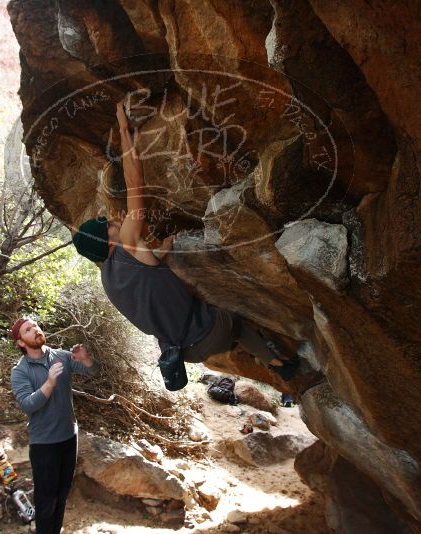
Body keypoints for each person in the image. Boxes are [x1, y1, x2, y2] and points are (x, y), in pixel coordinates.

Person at [72, 102, 313, 382]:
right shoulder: (128, 243)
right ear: (107, 240)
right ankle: (278, 361)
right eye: (109, 225)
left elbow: (146, 281)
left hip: (186, 353)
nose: (114, 221)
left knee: (230, 328)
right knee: (237, 320)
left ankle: (276, 366)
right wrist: (125, 130)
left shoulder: (110, 280)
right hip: (210, 330)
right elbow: (133, 180)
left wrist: (161, 251)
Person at [9, 317, 100, 534]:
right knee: (46, 501)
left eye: (36, 326)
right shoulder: (20, 371)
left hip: (69, 437)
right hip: (44, 444)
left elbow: (93, 370)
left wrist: (86, 359)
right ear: (21, 342)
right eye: (28, 330)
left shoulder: (60, 356)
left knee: (61, 496)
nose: (35, 330)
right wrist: (49, 383)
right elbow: (28, 405)